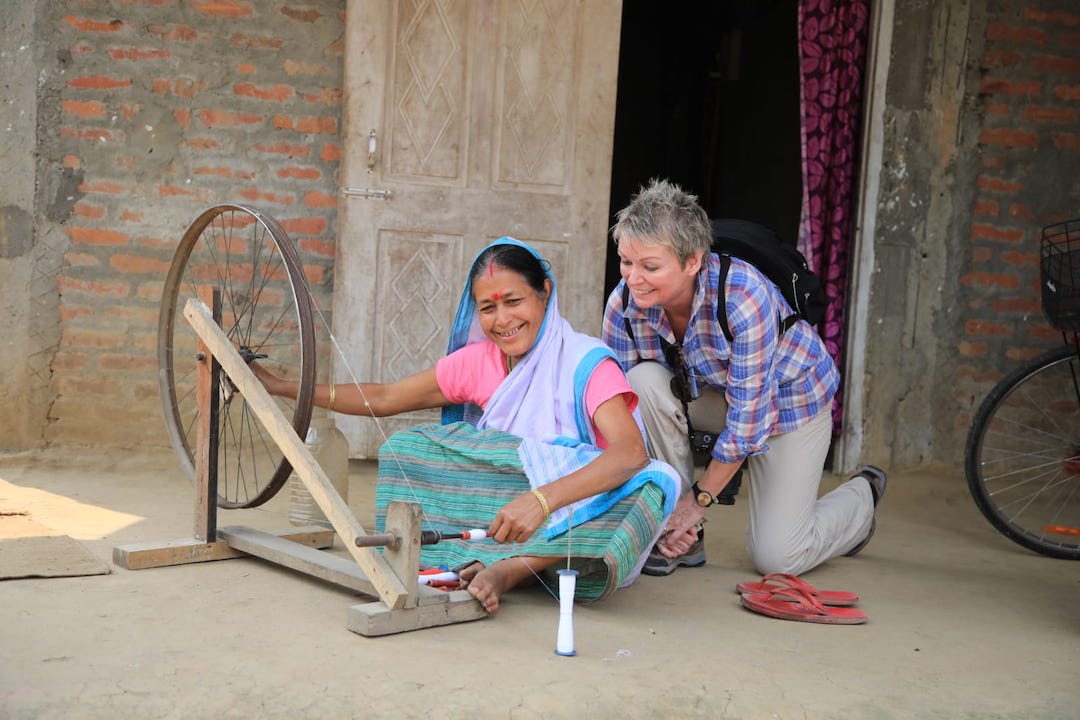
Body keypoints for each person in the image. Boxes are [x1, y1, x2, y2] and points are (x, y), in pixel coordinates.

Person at [254, 238, 679, 614]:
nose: (502, 320)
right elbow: (384, 398)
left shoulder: (586, 361)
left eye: (514, 301)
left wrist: (541, 501)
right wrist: (282, 387)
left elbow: (630, 454)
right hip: (508, 506)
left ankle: (509, 570)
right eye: (488, 308)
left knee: (649, 488)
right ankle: (496, 561)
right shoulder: (481, 362)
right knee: (408, 448)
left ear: (544, 293)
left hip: (575, 507)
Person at [601, 178, 886, 578]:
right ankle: (682, 536)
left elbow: (748, 420)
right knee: (641, 383)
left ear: (692, 261)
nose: (633, 278)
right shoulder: (625, 302)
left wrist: (698, 501)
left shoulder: (744, 295)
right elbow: (614, 406)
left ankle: (861, 501)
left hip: (790, 404)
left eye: (650, 266)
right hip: (715, 397)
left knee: (778, 557)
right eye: (626, 262)